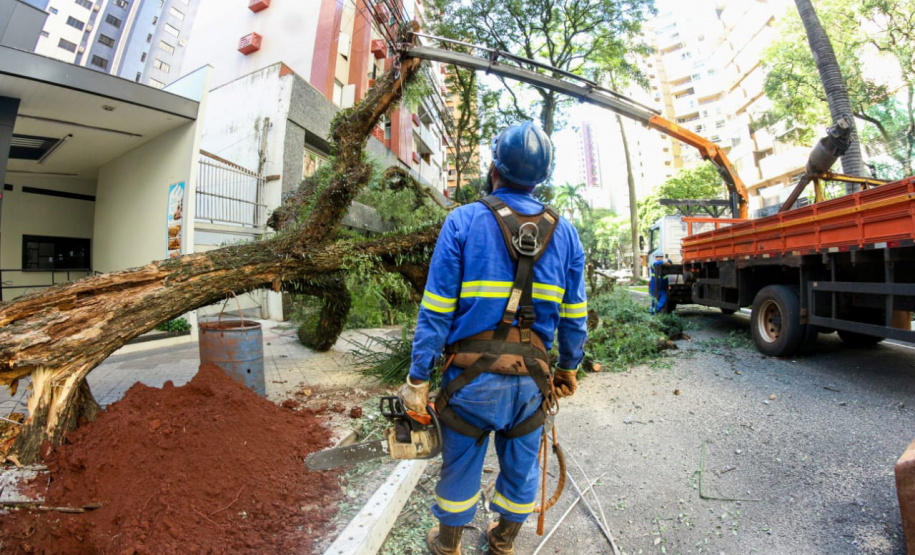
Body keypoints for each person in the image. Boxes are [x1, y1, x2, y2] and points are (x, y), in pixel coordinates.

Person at [399, 122, 588, 555]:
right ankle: (503, 540)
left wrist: (417, 378)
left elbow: (436, 309)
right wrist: (568, 367)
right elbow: (575, 316)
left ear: (494, 168)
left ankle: (448, 544)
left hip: (469, 383)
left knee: (460, 462)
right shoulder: (567, 234)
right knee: (521, 467)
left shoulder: (463, 221)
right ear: (541, 178)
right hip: (531, 385)